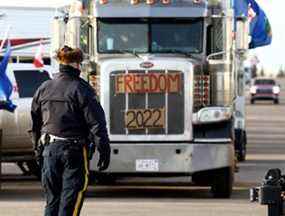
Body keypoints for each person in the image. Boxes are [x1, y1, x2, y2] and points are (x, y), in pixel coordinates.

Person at [31, 46, 110, 216]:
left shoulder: (44, 87)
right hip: (74, 151)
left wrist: (37, 148)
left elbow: (36, 123)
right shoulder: (82, 89)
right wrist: (104, 149)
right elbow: (96, 123)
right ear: (78, 65)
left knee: (52, 201)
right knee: (70, 202)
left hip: (49, 150)